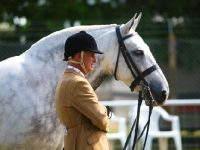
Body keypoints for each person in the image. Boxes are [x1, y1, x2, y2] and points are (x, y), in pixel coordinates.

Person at [55, 31, 111, 150]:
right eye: (91, 55)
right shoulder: (77, 83)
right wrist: (106, 111)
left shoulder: (67, 79)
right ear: (79, 56)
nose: (95, 60)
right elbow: (101, 119)